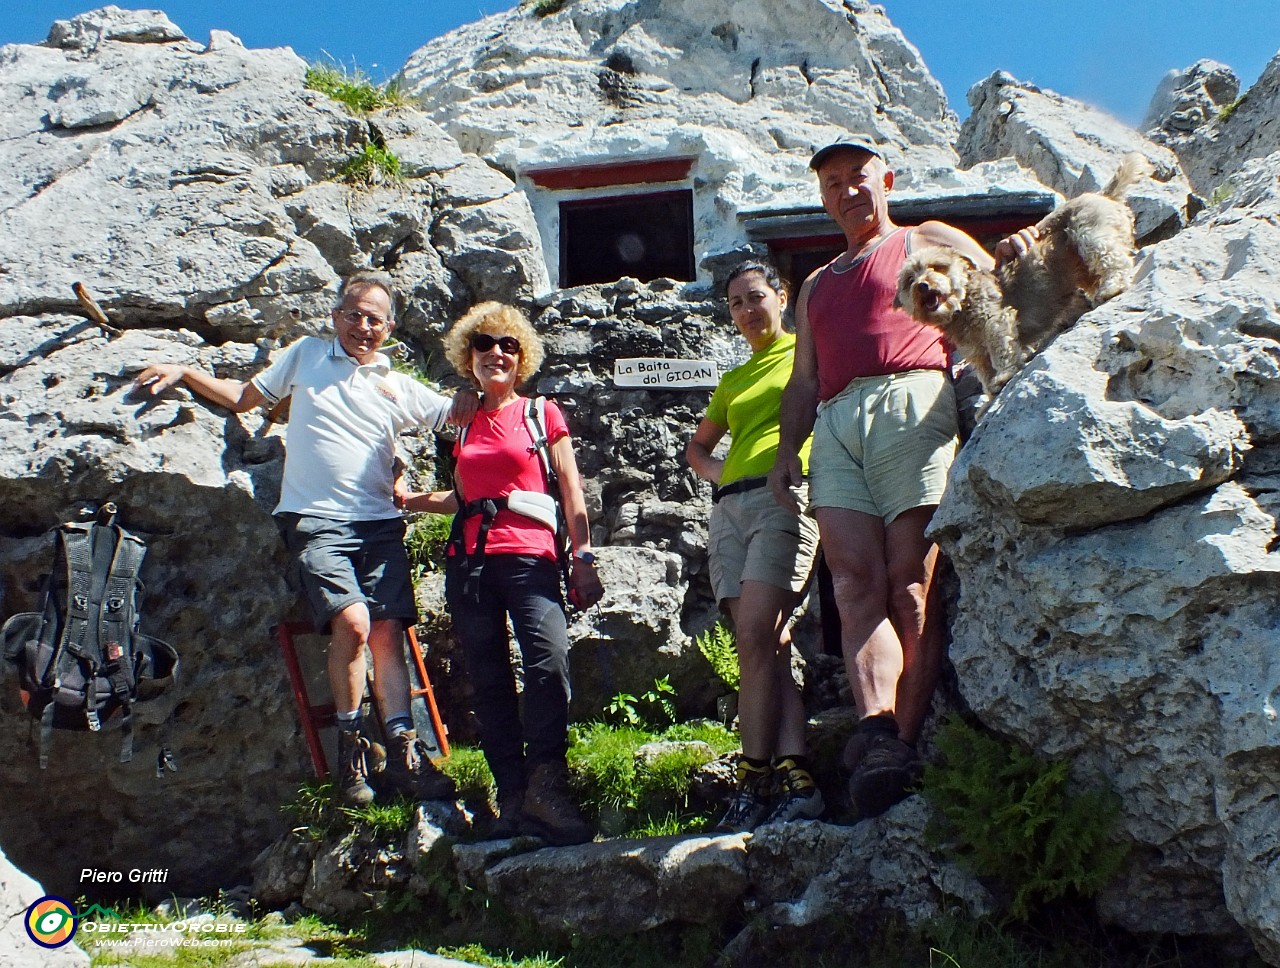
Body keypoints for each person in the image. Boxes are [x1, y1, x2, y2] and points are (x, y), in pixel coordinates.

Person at [134, 270, 473, 807]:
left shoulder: (396, 384)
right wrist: (186, 371)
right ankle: (353, 753)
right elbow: (245, 399)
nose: (363, 326)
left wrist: (480, 394)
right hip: (317, 520)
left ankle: (405, 755)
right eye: (354, 314)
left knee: (387, 634)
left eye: (375, 319)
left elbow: (458, 422)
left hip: (381, 523)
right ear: (336, 316)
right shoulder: (307, 354)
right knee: (355, 623)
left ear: (389, 328)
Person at [768, 139, 1007, 818]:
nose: (847, 191)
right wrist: (789, 451)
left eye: (858, 177)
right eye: (833, 183)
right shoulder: (815, 284)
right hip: (837, 420)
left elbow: (989, 291)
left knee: (911, 578)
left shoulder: (923, 239)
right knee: (850, 581)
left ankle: (900, 743)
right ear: (823, 197)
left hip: (913, 396)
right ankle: (876, 733)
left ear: (887, 180)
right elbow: (805, 379)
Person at [401, 301, 604, 845]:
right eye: (484, 344)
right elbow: (465, 496)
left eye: (507, 345)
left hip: (531, 555)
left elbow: (570, 486)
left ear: (522, 357)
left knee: (548, 661)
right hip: (469, 563)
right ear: (468, 356)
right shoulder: (462, 421)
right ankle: (512, 797)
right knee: (488, 679)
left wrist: (582, 556)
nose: (496, 352)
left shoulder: (540, 413)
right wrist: (412, 499)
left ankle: (547, 785)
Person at [686, 260, 823, 833]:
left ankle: (753, 777)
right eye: (736, 303)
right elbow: (697, 449)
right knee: (765, 644)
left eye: (756, 297)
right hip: (730, 511)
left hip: (783, 501)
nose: (747, 310)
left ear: (782, 297)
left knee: (753, 639)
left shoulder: (807, 354)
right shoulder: (735, 379)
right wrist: (728, 475)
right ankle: (797, 777)